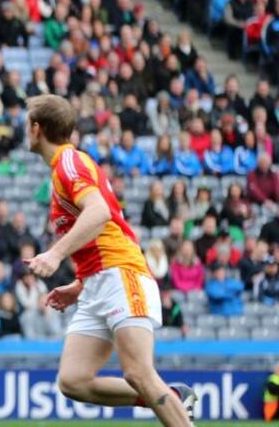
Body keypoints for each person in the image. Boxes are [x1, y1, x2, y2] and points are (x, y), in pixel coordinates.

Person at [23, 94, 196, 426]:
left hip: (121, 274)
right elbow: (98, 233)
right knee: (73, 380)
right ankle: (170, 398)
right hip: (97, 282)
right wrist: (79, 284)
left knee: (138, 372)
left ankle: (170, 406)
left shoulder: (68, 163)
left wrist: (56, 254)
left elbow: (100, 213)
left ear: (36, 128)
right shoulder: (64, 167)